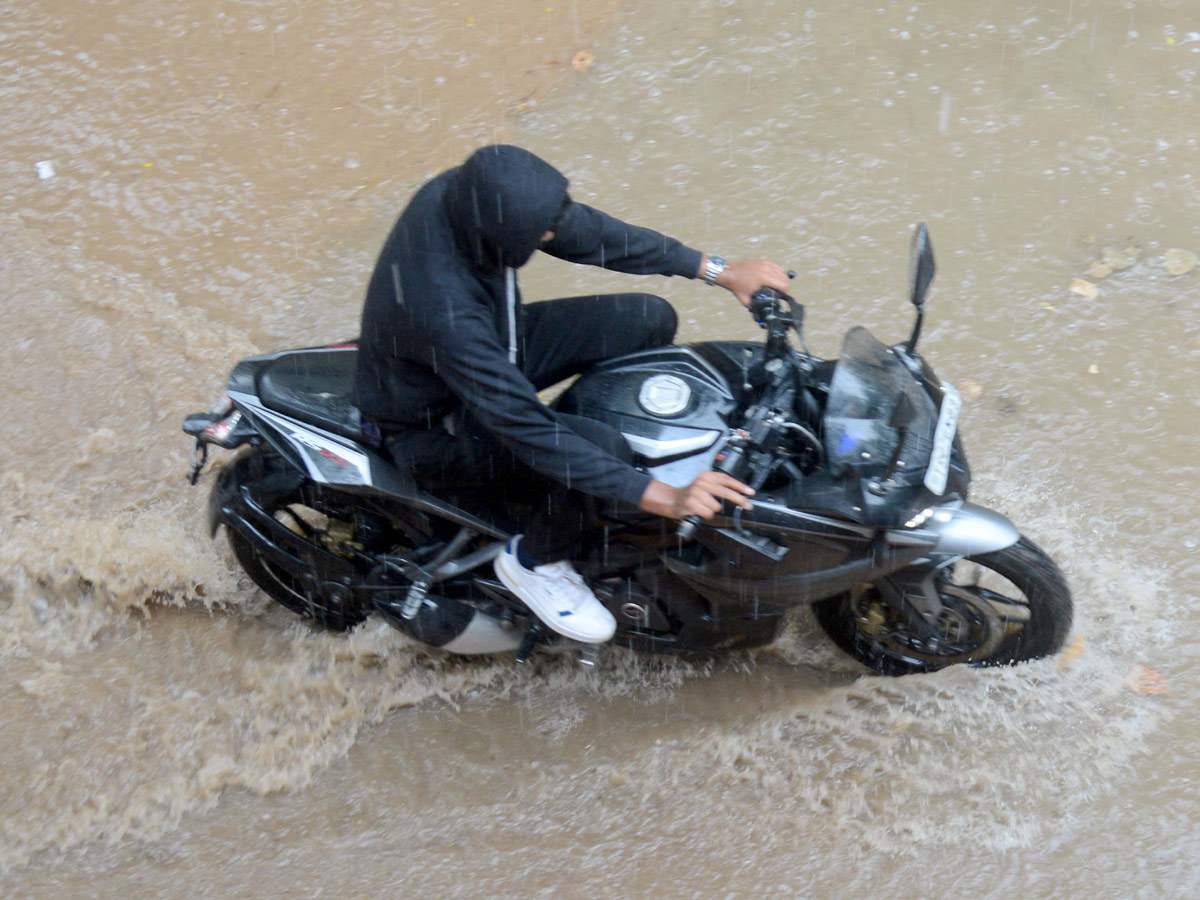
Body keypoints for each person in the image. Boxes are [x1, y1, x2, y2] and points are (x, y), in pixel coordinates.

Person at [353, 144, 790, 645]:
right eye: (540, 231)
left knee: (648, 317)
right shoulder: (441, 306)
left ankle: (577, 481)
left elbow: (581, 231)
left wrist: (717, 270)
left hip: (495, 346)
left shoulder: (464, 195)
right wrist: (666, 497)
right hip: (435, 424)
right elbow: (521, 424)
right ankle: (533, 561)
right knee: (604, 452)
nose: (550, 235)